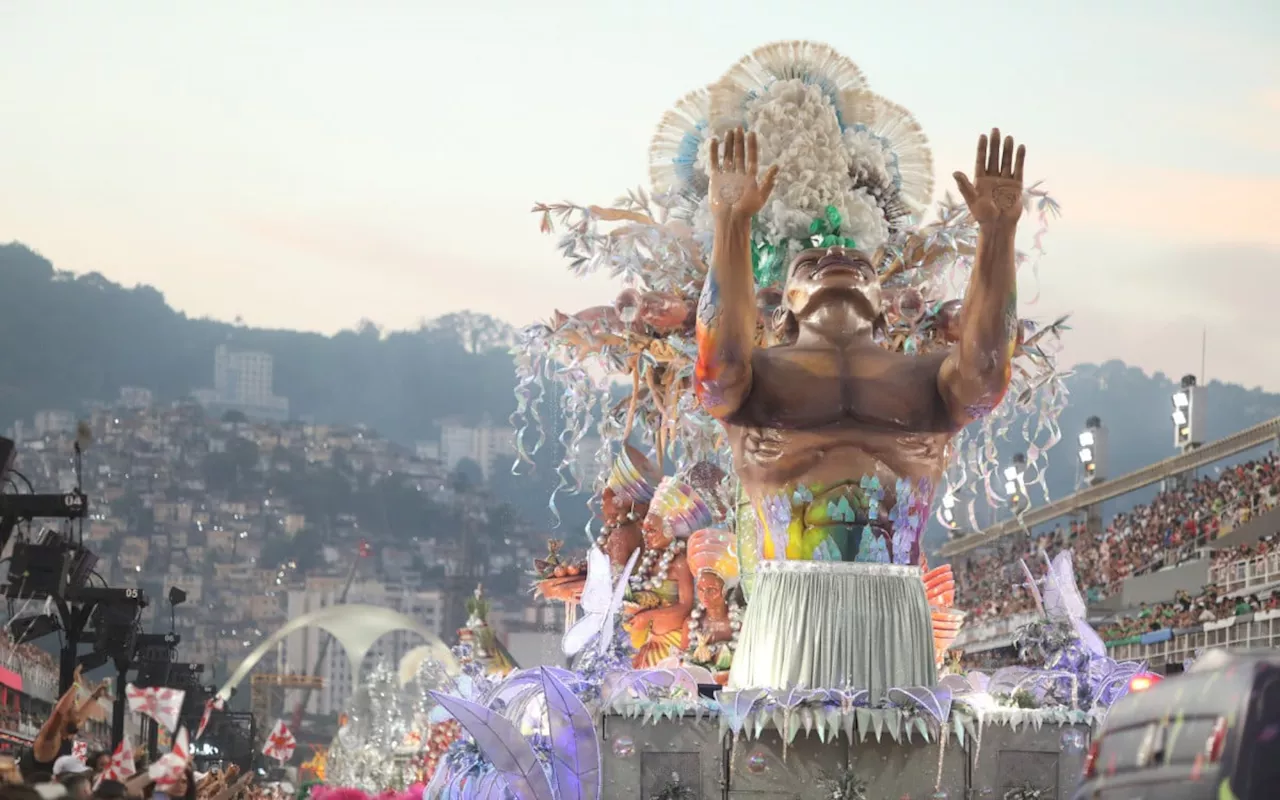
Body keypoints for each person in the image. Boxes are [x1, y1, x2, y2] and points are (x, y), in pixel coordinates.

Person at [696, 127, 1027, 695]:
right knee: (779, 760)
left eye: (857, 260)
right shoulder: (758, 377)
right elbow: (715, 365)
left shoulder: (928, 378)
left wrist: (997, 232)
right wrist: (731, 221)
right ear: (786, 306)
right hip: (787, 610)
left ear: (883, 309)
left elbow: (988, 374)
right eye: (812, 262)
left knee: (900, 767)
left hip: (894, 607)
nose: (837, 257)